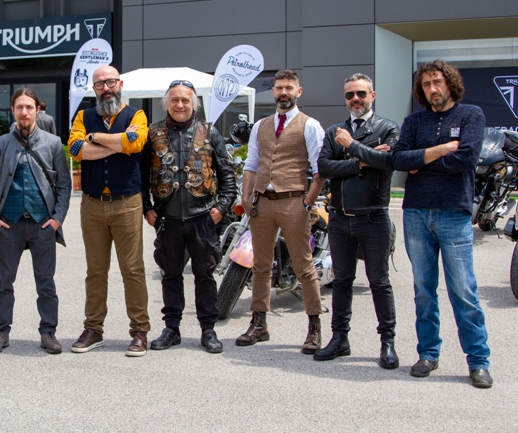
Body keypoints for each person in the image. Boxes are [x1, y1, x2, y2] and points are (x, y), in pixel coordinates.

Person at [390, 59, 492, 388]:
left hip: (453, 212)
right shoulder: (413, 121)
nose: (432, 89)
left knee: (463, 291)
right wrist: (442, 150)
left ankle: (478, 361)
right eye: (426, 84)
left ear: (450, 83)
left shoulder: (470, 115)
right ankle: (428, 354)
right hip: (416, 212)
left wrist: (422, 158)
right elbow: (399, 159)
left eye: (437, 82)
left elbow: (467, 158)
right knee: (423, 291)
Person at [141, 80, 236, 354]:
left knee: (205, 275)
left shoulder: (209, 132)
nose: (180, 105)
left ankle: (208, 330)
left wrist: (221, 209)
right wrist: (147, 209)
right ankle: (172, 328)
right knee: (170, 275)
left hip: (202, 218)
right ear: (167, 103)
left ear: (194, 103)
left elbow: (227, 176)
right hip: (167, 220)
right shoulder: (153, 133)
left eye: (185, 100)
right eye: (175, 100)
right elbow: (141, 175)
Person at [237, 69, 326, 353]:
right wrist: (247, 196)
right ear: (273, 92)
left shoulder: (310, 125)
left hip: (293, 201)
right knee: (261, 266)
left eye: (289, 88)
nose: (283, 92)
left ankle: (314, 328)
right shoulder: (260, 126)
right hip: (262, 202)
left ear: (298, 92)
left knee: (304, 266)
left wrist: (308, 202)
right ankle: (259, 324)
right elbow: (251, 163)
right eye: (279, 88)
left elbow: (319, 168)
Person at [315, 73, 400, 368]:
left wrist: (351, 145)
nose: (355, 99)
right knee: (341, 281)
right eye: (350, 94)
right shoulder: (334, 131)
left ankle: (387, 343)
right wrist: (362, 161)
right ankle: (340, 339)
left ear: (372, 96)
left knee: (379, 282)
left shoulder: (388, 128)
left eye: (361, 94)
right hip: (339, 218)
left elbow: (388, 162)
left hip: (373, 218)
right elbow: (324, 167)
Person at [67, 65, 151, 356]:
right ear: (94, 89)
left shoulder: (136, 115)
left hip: (127, 202)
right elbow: (75, 149)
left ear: (120, 84)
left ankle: (139, 330)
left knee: (133, 269)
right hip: (92, 204)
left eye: (110, 82)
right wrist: (118, 143)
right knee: (95, 271)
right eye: (100, 84)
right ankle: (93, 329)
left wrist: (95, 138)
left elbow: (136, 142)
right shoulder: (83, 116)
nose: (106, 88)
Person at [0, 88, 72, 355]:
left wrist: (57, 219)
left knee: (46, 282)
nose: (24, 112)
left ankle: (48, 332)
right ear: (13, 110)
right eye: (19, 107)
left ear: (37, 110)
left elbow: (64, 185)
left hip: (42, 225)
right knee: (4, 283)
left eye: (29, 107)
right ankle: (1, 332)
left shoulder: (53, 143)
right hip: (8, 225)